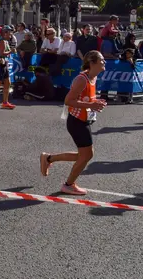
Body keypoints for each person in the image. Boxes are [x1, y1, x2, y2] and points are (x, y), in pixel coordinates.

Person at [40, 51, 107, 195]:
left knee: (83, 155)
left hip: (84, 120)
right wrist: (92, 105)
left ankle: (48, 158)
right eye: (102, 60)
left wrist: (95, 103)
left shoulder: (93, 78)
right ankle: (68, 184)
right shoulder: (81, 79)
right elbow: (68, 101)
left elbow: (85, 99)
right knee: (87, 155)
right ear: (92, 62)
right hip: (76, 121)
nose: (104, 62)